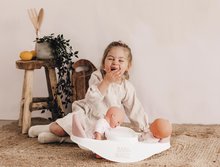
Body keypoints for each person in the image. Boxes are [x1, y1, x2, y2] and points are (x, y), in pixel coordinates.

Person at [28, 40, 163, 143]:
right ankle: (47, 129)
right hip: (87, 115)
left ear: (128, 66)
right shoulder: (97, 77)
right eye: (110, 58)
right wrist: (107, 81)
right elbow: (91, 99)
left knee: (100, 139)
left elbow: (135, 109)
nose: (115, 62)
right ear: (104, 63)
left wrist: (145, 129)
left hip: (105, 123)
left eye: (120, 60)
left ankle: (61, 139)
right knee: (59, 128)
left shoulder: (127, 87)